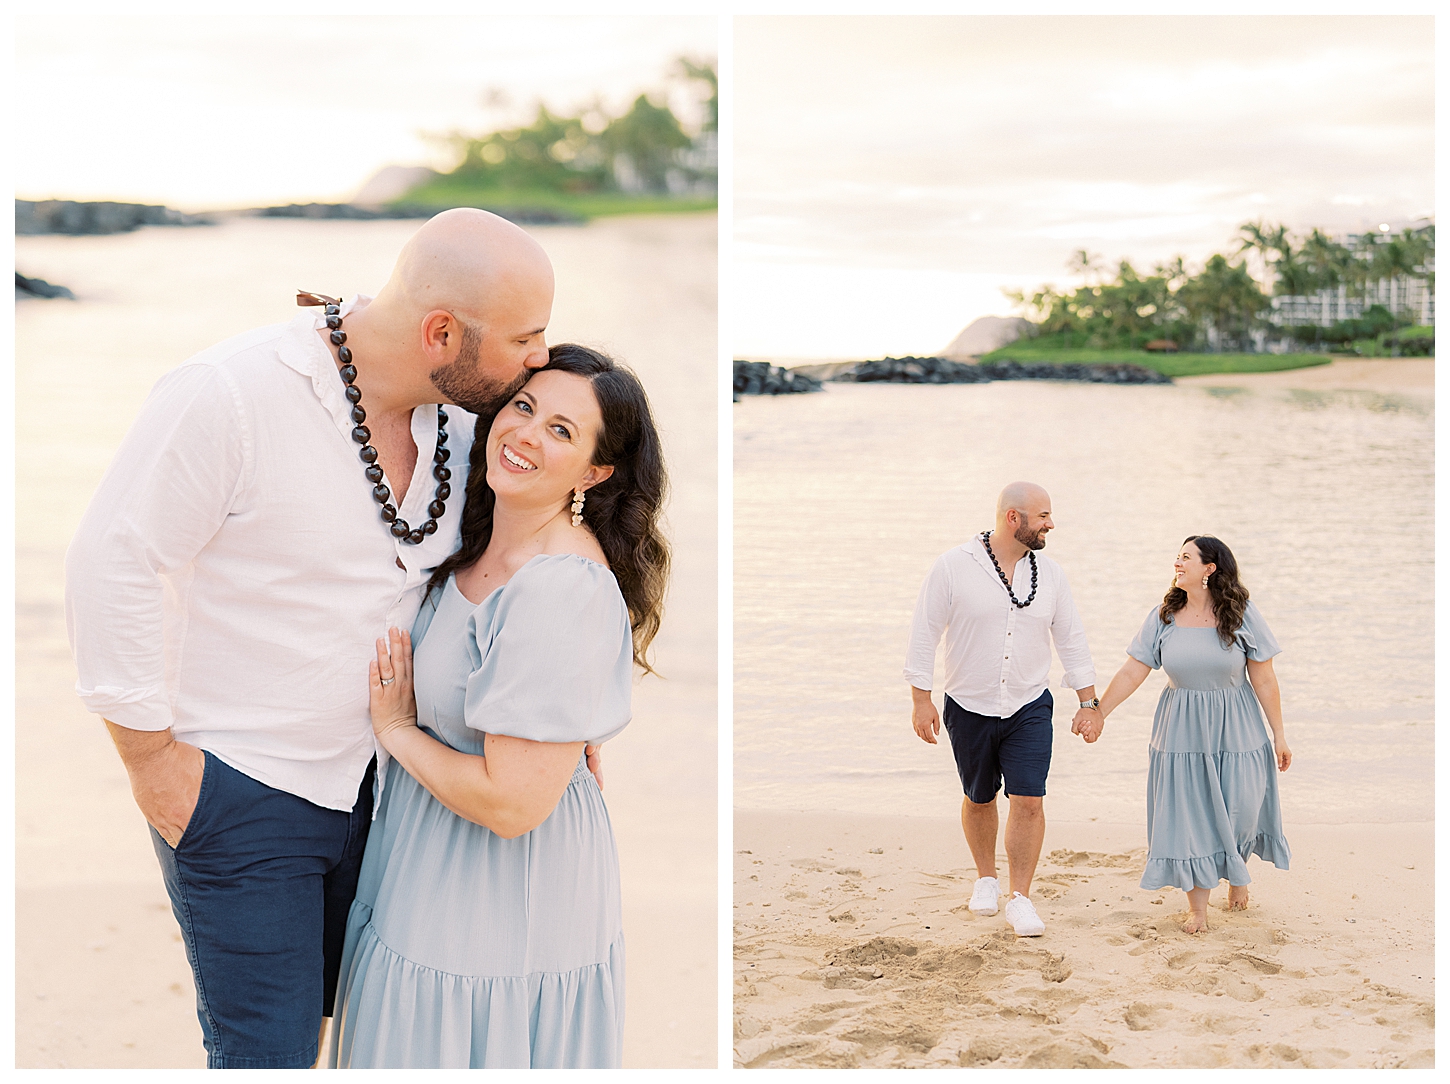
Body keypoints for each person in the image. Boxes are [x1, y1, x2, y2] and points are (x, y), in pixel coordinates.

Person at [62, 209, 607, 1068]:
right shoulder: (231, 393)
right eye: (526, 338)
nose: (538, 359)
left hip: (398, 798)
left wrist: (561, 717)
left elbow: (528, 555)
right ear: (441, 332)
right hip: (244, 791)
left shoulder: (466, 427)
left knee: (371, 1043)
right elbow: (112, 563)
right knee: (268, 1055)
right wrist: (153, 767)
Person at [328, 343, 669, 1069]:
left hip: (502, 891)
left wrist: (395, 728)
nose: (526, 435)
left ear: (597, 472)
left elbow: (512, 806)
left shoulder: (558, 588)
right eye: (524, 407)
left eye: (562, 432)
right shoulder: (478, 536)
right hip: (424, 859)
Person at [905, 482, 1102, 937]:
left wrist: (1089, 703)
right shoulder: (953, 567)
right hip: (968, 704)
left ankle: (1021, 898)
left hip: (1029, 703)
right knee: (979, 798)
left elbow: (1072, 640)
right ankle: (986, 880)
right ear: (1014, 518)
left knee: (1029, 800)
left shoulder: (1050, 575)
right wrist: (921, 699)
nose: (1051, 524)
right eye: (1044, 516)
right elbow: (924, 632)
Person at [1089, 535, 1291, 934]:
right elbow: (1133, 671)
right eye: (1177, 557)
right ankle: (1198, 908)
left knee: (1243, 809)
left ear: (1209, 568)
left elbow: (1264, 679)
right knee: (1190, 817)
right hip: (1181, 729)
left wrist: (1280, 735)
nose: (1177, 563)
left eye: (1186, 557)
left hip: (1238, 725)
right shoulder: (1163, 617)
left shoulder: (1241, 613)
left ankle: (1237, 872)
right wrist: (1099, 712)